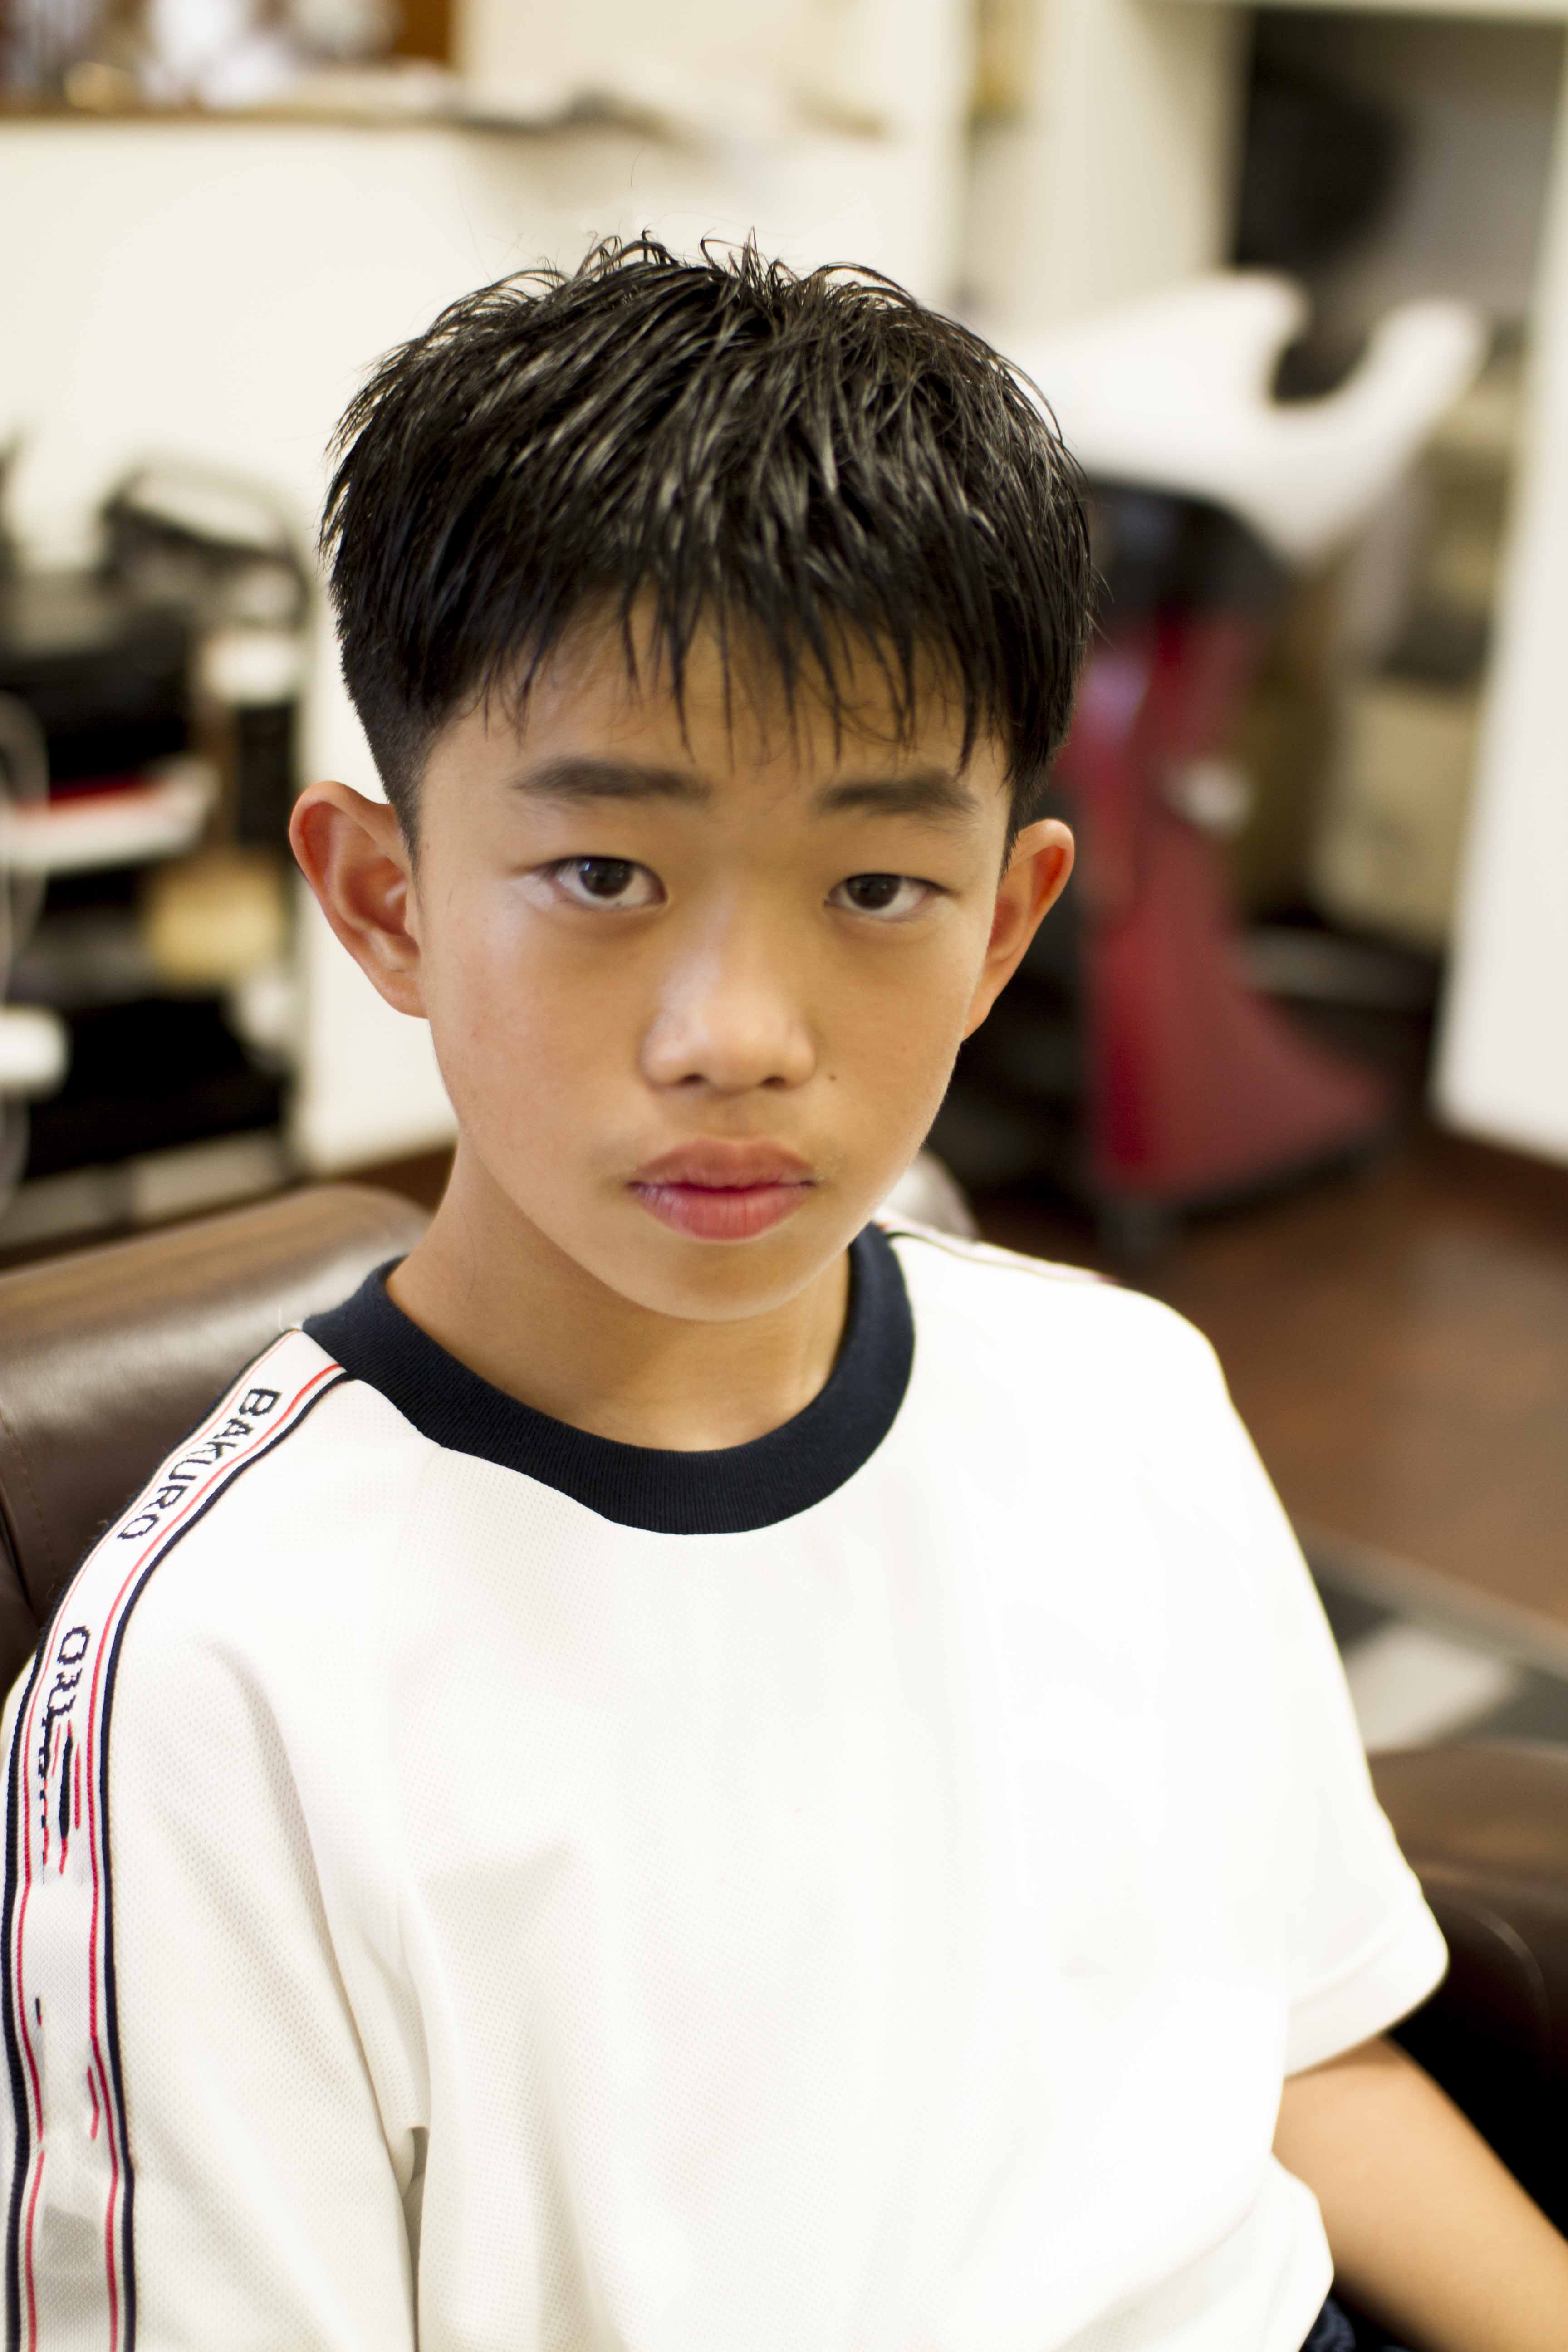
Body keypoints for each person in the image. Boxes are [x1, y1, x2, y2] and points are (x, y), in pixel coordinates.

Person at [3, 239, 1565, 2352]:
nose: (738, 1034)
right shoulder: (225, 1684)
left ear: (1005, 923)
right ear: (386, 900)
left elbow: (1304, 2054)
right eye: (604, 876)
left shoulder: (1123, 1400)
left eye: (876, 886)